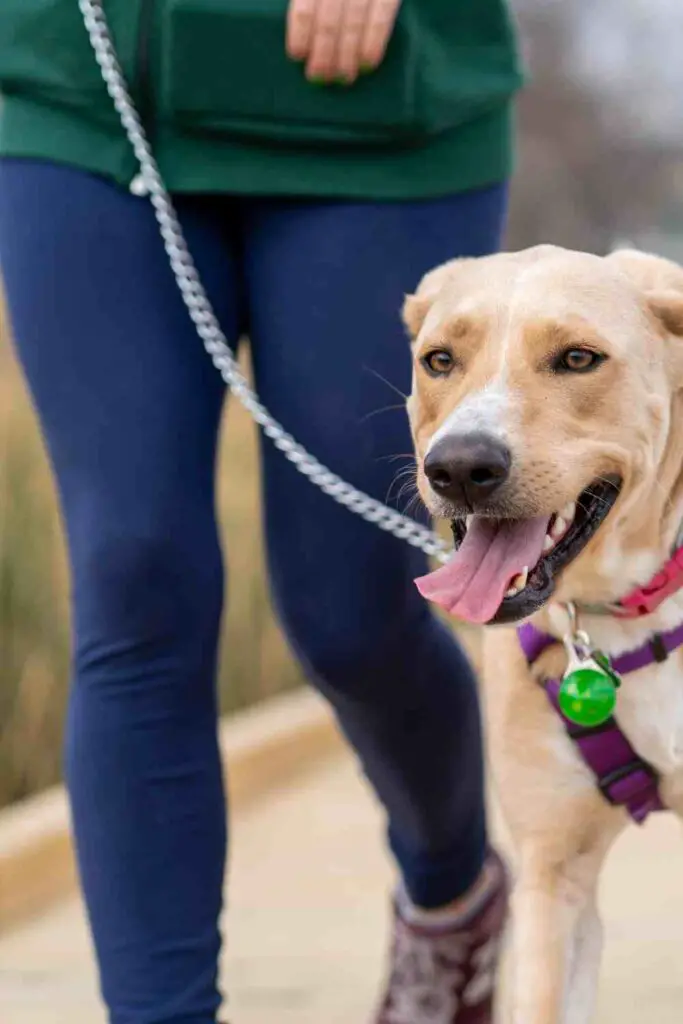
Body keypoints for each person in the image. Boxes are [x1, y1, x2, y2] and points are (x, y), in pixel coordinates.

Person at [0, 2, 523, 1022]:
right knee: (134, 573)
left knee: (351, 613)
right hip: (83, 104)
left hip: (376, 109)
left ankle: (451, 889)